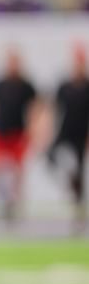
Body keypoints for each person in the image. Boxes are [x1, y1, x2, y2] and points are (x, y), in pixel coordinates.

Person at [0, 47, 37, 221]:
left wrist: (32, 129)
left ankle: (14, 204)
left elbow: (35, 108)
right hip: (0, 132)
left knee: (17, 172)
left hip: (18, 133)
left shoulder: (26, 86)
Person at [49, 45, 89, 233]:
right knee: (51, 157)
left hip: (81, 134)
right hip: (65, 132)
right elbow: (54, 109)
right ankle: (70, 179)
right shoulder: (64, 86)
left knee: (80, 173)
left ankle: (77, 208)